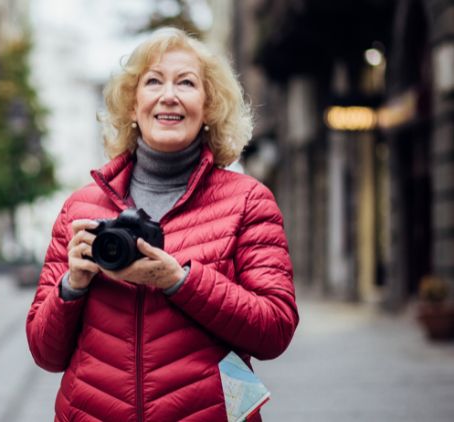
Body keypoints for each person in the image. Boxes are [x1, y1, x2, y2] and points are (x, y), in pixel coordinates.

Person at [26, 27, 299, 421]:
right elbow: (44, 353)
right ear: (133, 106)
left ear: (208, 107)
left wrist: (179, 281)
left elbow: (275, 329)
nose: (168, 95)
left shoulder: (248, 201)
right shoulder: (81, 208)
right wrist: (73, 286)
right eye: (153, 81)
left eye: (186, 83)